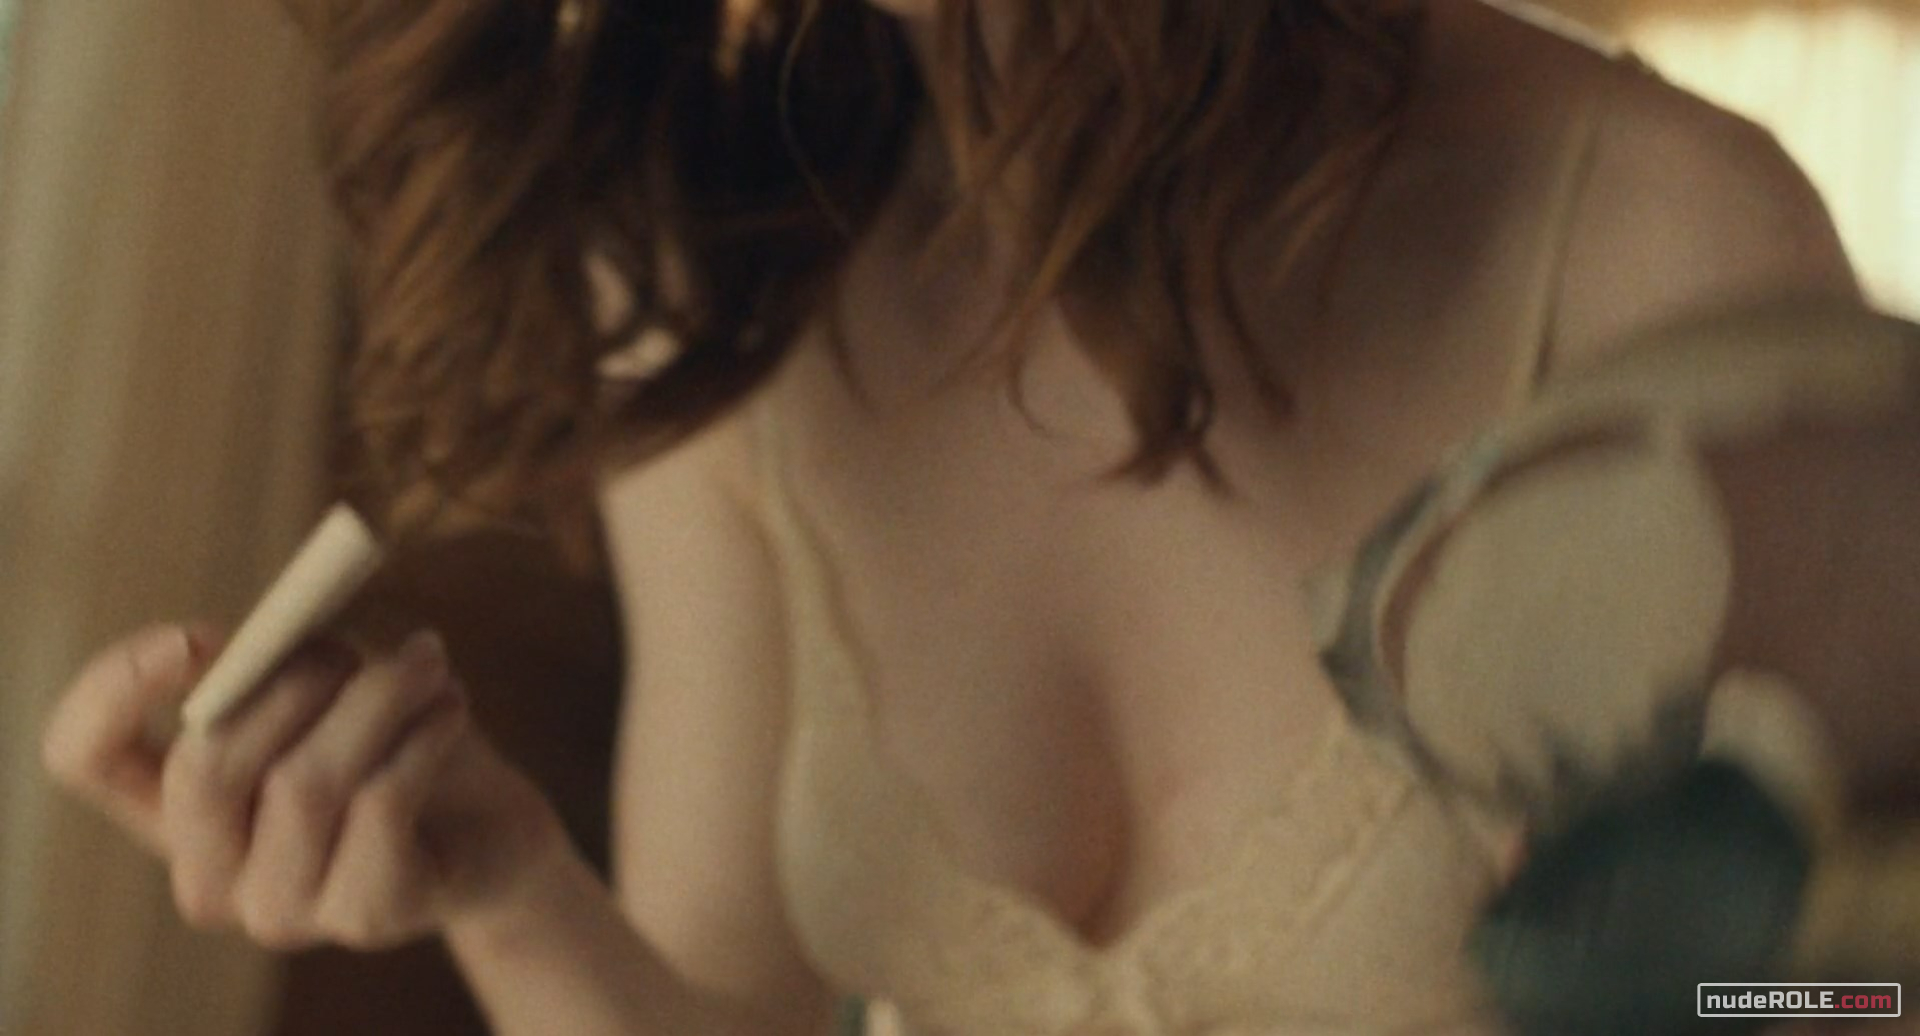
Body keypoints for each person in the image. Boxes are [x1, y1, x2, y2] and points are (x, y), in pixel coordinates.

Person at [39, 0, 1904, 1033]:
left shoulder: (1655, 243)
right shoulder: (737, 281)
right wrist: (503, 887)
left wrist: (1701, 991)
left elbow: (1849, 1005)